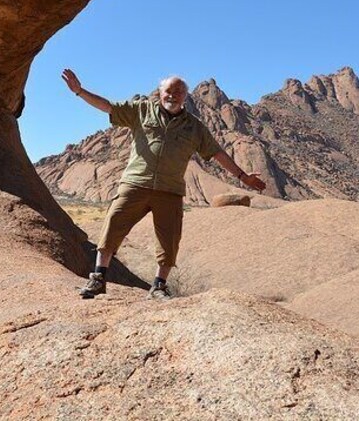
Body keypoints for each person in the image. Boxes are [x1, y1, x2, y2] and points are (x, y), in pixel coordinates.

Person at [61, 68, 266, 300]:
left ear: (185, 97)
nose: (173, 95)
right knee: (113, 226)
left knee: (169, 240)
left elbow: (217, 153)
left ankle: (158, 286)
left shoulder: (195, 127)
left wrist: (242, 177)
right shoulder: (141, 110)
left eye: (179, 91)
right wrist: (79, 91)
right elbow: (108, 106)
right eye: (169, 90)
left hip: (169, 190)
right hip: (136, 183)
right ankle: (98, 279)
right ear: (160, 92)